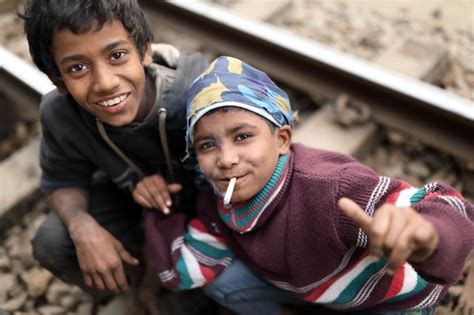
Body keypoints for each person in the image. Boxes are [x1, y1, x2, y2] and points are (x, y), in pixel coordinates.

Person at [145, 56, 474, 315]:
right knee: (225, 284)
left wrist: (429, 235)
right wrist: (160, 208)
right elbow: (186, 271)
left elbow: (451, 207)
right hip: (317, 291)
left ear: (282, 139)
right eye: (207, 146)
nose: (227, 159)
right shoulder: (217, 201)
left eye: (242, 136)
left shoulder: (330, 189)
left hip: (387, 302)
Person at [19, 0, 209, 299]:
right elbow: (62, 180)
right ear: (58, 80)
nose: (105, 83)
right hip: (132, 210)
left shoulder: (198, 92)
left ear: (145, 51)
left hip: (211, 206)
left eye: (117, 55)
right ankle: (149, 289)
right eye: (78, 67)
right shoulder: (60, 113)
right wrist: (82, 228)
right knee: (53, 242)